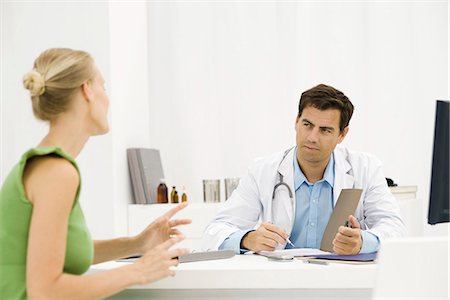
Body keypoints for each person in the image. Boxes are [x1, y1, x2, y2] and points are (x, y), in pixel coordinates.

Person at [0, 48, 191, 299]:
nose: (107, 98)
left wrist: (138, 244)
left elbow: (63, 251)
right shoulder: (56, 172)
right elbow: (45, 291)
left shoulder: (49, 165)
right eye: (103, 86)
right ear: (86, 89)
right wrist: (138, 271)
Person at [202, 84, 405, 254]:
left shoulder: (366, 168)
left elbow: (394, 228)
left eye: (325, 130)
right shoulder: (262, 171)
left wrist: (363, 242)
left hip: (342, 281)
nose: (312, 137)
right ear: (296, 121)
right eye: (307, 124)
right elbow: (216, 230)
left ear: (342, 135)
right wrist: (248, 239)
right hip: (282, 283)